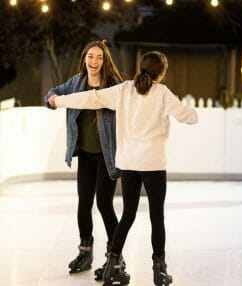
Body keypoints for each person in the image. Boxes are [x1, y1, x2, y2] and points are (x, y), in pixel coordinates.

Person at [47, 51, 198, 286]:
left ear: (142, 67)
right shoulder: (162, 93)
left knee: (128, 214)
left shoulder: (124, 90)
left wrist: (58, 101)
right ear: (162, 72)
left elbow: (90, 98)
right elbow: (190, 117)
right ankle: (159, 271)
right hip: (153, 165)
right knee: (156, 217)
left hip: (128, 164)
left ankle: (113, 266)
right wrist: (182, 107)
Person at [45, 40, 128, 280]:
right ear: (84, 58)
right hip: (85, 154)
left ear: (105, 61)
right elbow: (52, 92)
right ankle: (85, 251)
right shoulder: (76, 83)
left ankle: (115, 257)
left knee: (104, 204)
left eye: (99, 58)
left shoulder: (113, 85)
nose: (94, 61)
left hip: (107, 156)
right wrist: (52, 100)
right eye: (90, 56)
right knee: (84, 202)